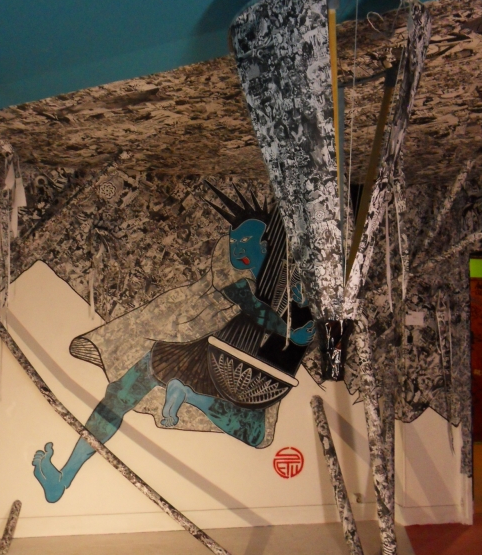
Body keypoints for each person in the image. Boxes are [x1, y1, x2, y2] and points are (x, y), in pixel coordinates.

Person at [32, 185, 314, 503]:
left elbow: (293, 319)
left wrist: (300, 307)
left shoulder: (283, 276)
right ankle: (65, 476)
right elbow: (251, 306)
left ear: (267, 245)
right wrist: (288, 331)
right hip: (192, 346)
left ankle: (188, 396)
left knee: (256, 434)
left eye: (247, 243)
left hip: (234, 363)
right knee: (119, 397)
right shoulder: (227, 261)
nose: (239, 248)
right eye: (236, 241)